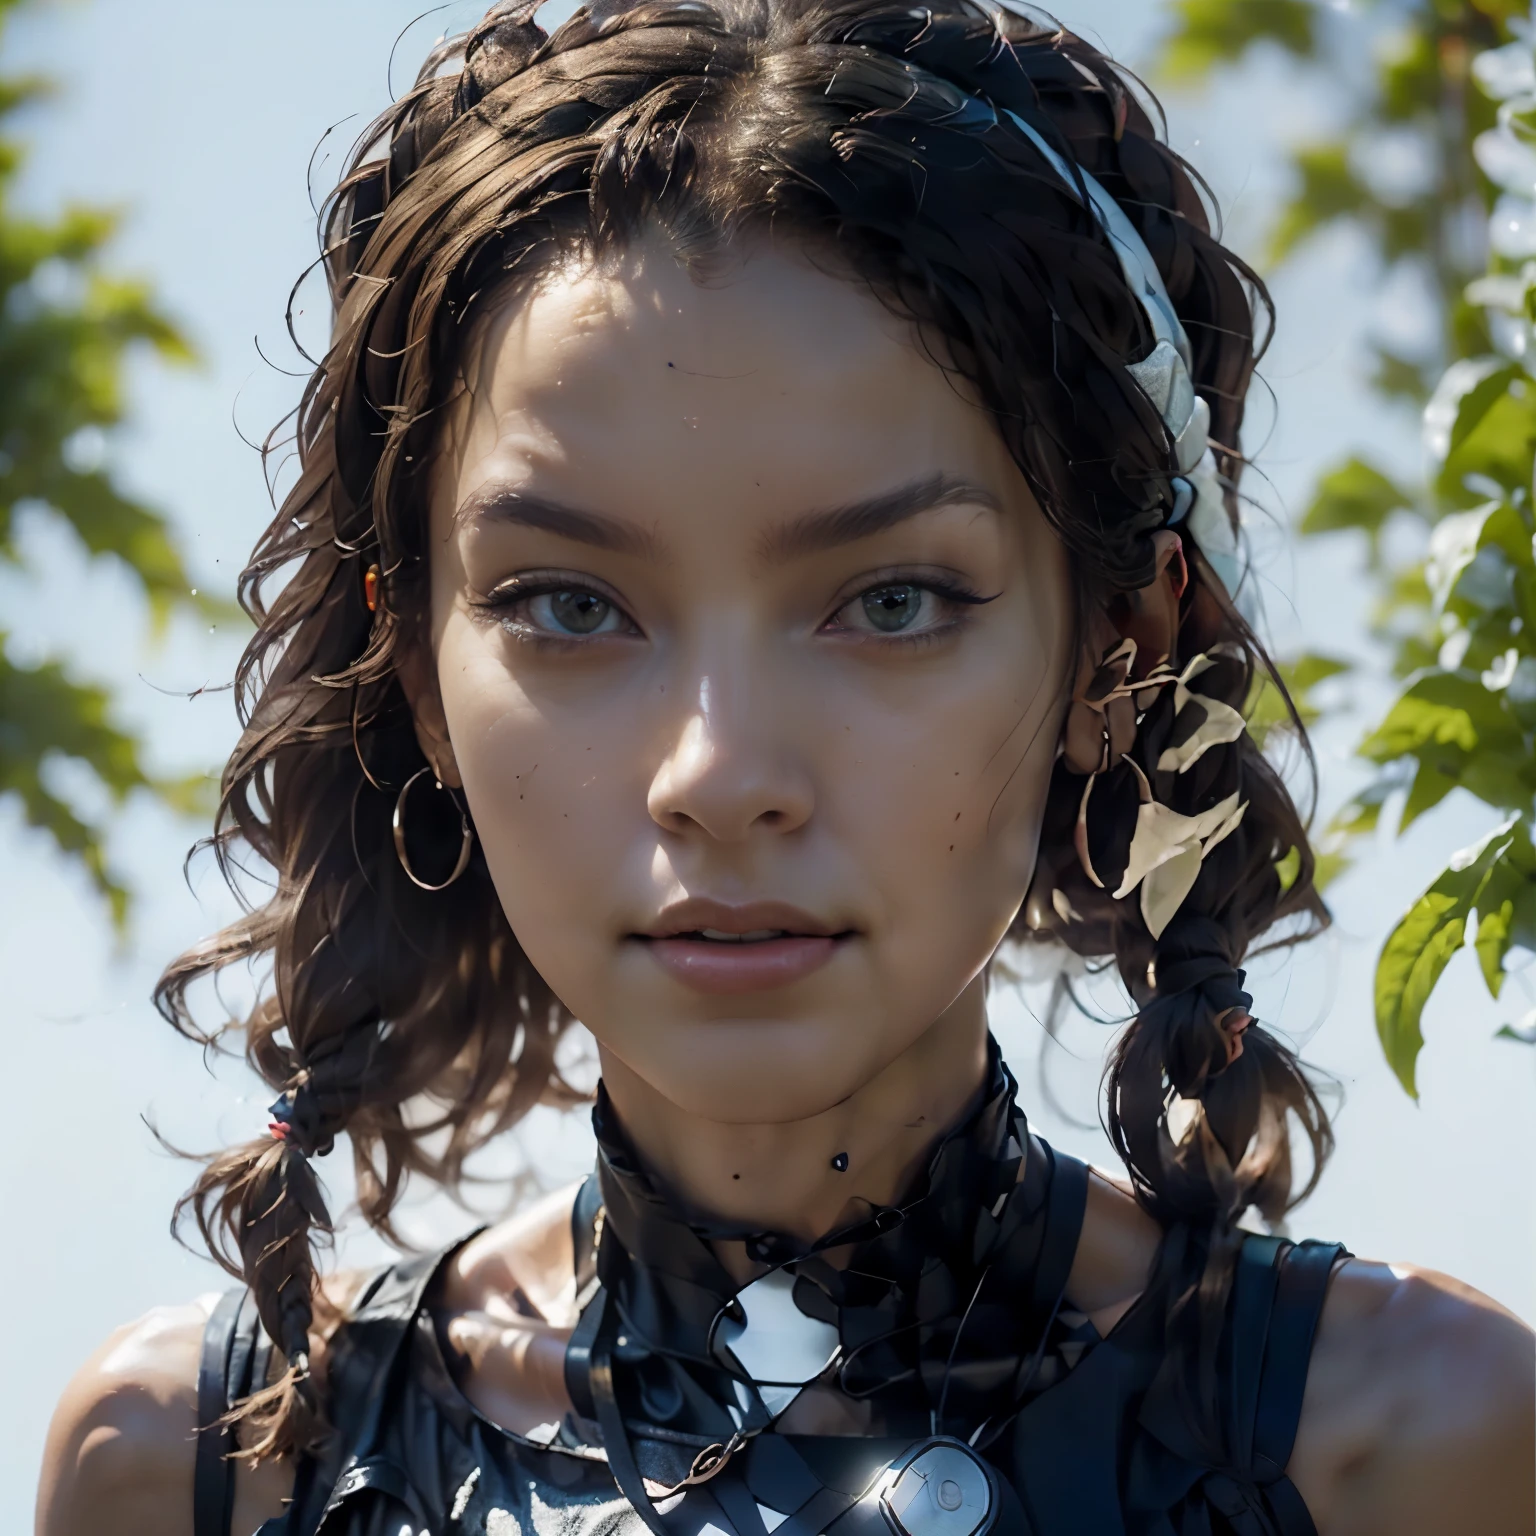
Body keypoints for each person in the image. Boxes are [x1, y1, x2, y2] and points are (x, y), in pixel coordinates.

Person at [36, 1, 1534, 1532]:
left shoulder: (1402, 1449)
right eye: (568, 606)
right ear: (418, 669)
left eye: (892, 601)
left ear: (1120, 646)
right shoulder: (200, 1466)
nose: (721, 770)